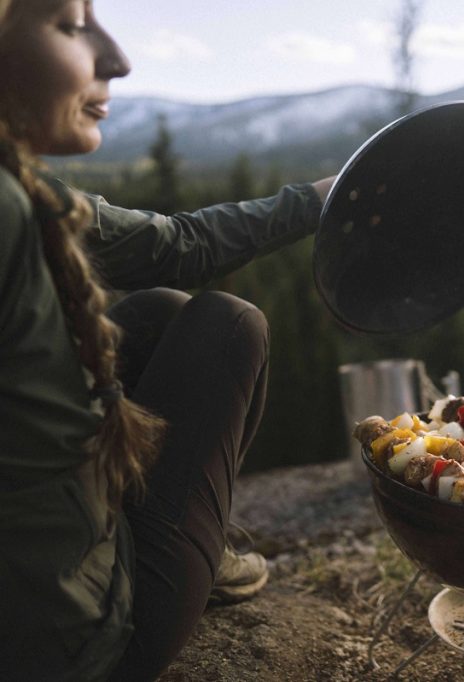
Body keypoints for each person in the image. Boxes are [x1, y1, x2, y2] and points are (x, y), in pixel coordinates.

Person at [0, 1, 336, 679]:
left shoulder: (26, 195)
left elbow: (173, 247)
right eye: (69, 24)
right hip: (78, 643)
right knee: (230, 327)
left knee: (157, 311)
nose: (115, 58)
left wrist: (317, 200)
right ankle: (191, 551)